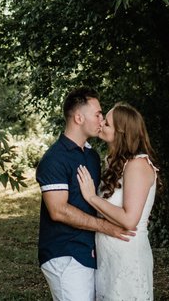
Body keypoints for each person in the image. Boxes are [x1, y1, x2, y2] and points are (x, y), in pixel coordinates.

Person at [37, 87, 135, 301]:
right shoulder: (54, 159)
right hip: (65, 254)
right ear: (79, 117)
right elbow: (58, 211)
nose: (101, 119)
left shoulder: (91, 156)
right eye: (98, 114)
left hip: (89, 253)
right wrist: (106, 228)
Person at [77, 102, 160, 301]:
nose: (101, 123)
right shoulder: (113, 163)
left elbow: (130, 220)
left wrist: (91, 198)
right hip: (109, 257)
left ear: (121, 133)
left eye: (107, 123)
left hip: (127, 257)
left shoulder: (137, 165)